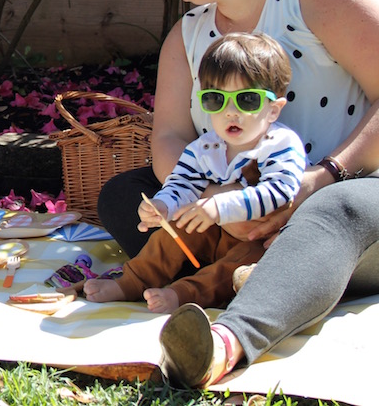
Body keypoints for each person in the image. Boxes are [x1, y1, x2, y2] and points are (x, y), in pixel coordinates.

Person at [91, 0, 379, 388]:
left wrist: (321, 177)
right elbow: (170, 139)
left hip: (350, 200)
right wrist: (221, 202)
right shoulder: (188, 34)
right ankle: (267, 277)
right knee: (126, 197)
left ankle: (228, 340)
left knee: (336, 209)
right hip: (233, 212)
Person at [84, 33, 306, 313]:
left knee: (239, 266)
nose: (230, 112)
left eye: (247, 100)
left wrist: (219, 207)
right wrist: (163, 205)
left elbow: (280, 191)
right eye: (216, 100)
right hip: (213, 231)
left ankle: (183, 294)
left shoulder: (281, 145)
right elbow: (182, 182)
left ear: (273, 109)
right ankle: (131, 282)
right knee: (173, 231)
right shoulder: (206, 147)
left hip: (259, 237)